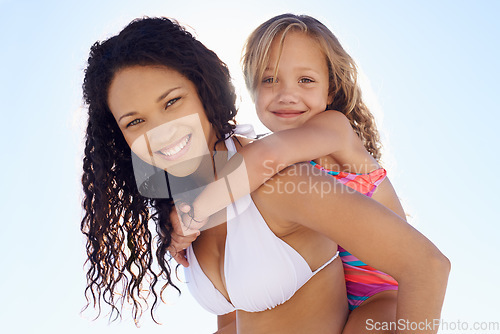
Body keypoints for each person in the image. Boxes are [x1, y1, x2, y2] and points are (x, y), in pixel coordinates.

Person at [81, 16, 450, 333]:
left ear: (207, 90)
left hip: (380, 292)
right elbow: (232, 322)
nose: (161, 132)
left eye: (172, 101)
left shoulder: (296, 158)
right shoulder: (189, 190)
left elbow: (428, 266)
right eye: (135, 122)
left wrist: (194, 211)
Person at [168, 14, 409, 333]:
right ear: (252, 90)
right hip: (318, 290)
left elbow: (265, 157)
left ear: (330, 90)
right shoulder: (264, 159)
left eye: (305, 80)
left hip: (378, 294)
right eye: (269, 80)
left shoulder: (333, 129)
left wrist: (192, 212)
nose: (286, 94)